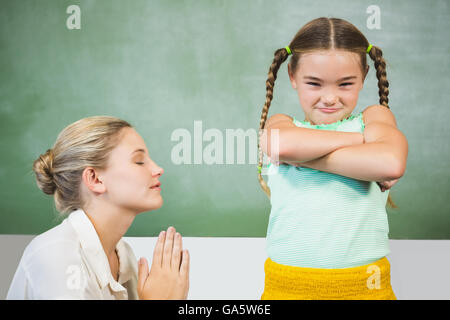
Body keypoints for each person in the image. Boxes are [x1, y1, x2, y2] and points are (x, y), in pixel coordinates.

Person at [257, 17, 408, 299]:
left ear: (363, 76)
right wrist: (360, 142)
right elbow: (279, 144)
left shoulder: (374, 118)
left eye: (345, 84)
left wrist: (305, 159)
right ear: (292, 76)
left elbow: (391, 162)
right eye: (314, 83)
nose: (329, 98)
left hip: (365, 287)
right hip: (287, 287)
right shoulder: (283, 123)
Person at [7, 116, 189, 299]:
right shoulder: (58, 256)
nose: (158, 169)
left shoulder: (124, 257)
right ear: (95, 179)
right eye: (139, 161)